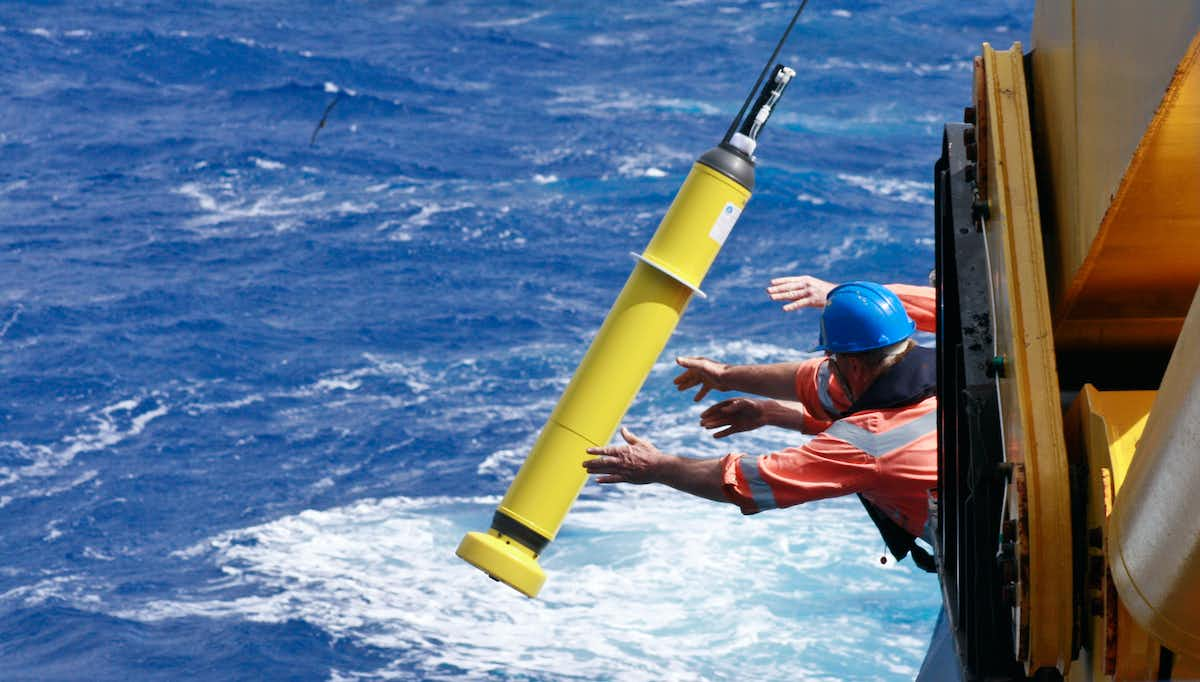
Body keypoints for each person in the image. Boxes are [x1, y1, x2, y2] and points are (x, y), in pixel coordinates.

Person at [583, 276, 939, 569]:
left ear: (854, 365)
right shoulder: (936, 371)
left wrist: (659, 467)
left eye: (833, 359)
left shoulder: (870, 444)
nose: (828, 367)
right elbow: (815, 383)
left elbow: (752, 480)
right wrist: (734, 384)